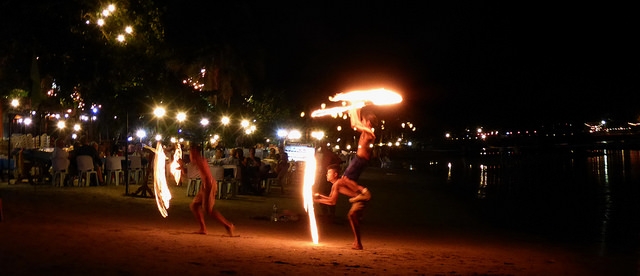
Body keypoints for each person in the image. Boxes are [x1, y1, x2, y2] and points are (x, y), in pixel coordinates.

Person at [314, 164, 371, 250]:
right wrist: (319, 196)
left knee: (352, 215)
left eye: (329, 172)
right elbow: (331, 199)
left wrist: (317, 200)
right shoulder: (336, 185)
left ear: (335, 174)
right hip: (357, 199)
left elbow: (332, 202)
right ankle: (357, 242)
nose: (327, 174)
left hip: (361, 197)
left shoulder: (338, 183)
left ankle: (358, 243)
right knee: (352, 216)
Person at [189, 145, 235, 236]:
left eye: (190, 152)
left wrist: (207, 188)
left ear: (194, 152)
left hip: (208, 184)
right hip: (206, 185)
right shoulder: (198, 160)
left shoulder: (200, 160)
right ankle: (203, 228)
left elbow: (206, 175)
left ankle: (228, 225)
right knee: (194, 205)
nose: (190, 155)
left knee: (208, 210)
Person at [343, 105, 378, 182]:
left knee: (345, 179)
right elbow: (355, 123)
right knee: (347, 180)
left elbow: (354, 124)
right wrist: (357, 107)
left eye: (363, 120)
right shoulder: (365, 131)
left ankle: (362, 191)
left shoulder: (370, 134)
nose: (361, 122)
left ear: (368, 122)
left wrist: (353, 108)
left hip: (360, 160)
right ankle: (360, 192)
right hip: (358, 159)